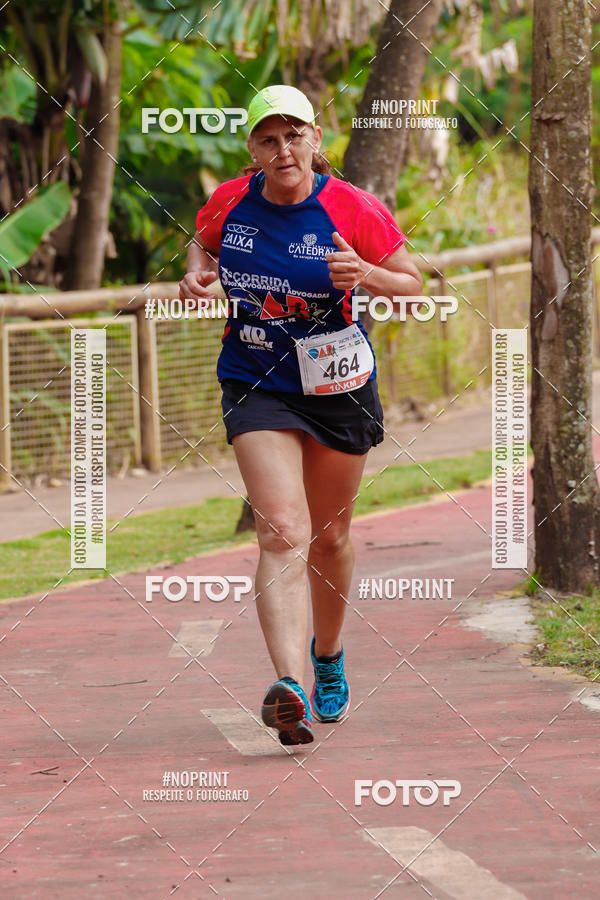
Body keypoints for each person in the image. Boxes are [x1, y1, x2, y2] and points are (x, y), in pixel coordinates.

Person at [179, 85, 422, 746]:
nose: (283, 150)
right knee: (282, 529)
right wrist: (196, 272)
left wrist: (364, 273)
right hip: (255, 379)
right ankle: (288, 686)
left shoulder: (352, 207)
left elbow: (414, 281)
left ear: (316, 139)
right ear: (252, 148)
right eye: (268, 138)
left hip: (338, 385)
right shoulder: (232, 200)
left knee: (330, 538)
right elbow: (200, 244)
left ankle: (328, 657)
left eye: (294, 136)